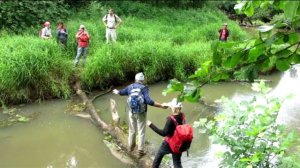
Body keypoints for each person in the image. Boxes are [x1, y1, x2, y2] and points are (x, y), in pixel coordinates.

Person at [112, 72, 167, 158]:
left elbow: (122, 92)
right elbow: (149, 101)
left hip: (132, 112)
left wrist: (117, 91)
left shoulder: (130, 87)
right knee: (141, 131)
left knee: (132, 130)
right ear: (142, 80)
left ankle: (130, 147)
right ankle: (140, 151)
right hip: (141, 113)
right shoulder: (144, 88)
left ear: (135, 79)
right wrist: (161, 106)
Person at [147, 98, 185, 168]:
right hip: (179, 144)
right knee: (177, 163)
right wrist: (165, 105)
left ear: (174, 108)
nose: (171, 107)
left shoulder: (171, 119)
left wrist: (151, 125)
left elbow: (163, 133)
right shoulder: (182, 116)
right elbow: (176, 129)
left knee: (158, 156)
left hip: (169, 143)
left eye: (172, 106)